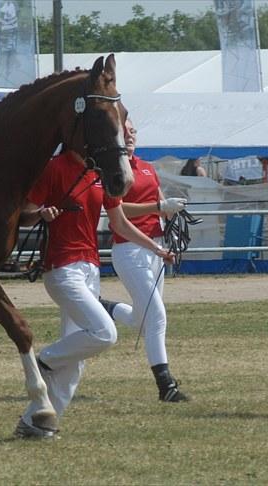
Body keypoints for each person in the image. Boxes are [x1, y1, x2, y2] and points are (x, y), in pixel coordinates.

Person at [15, 148, 175, 438]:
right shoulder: (53, 168)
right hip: (62, 269)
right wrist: (41, 213)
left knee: (75, 362)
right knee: (104, 333)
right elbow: (24, 212)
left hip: (90, 269)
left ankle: (34, 424)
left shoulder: (100, 172)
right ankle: (43, 362)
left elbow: (120, 223)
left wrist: (157, 249)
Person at [100, 118, 189, 403]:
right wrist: (158, 206)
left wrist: (172, 212)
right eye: (124, 131)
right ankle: (166, 384)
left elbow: (161, 207)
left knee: (143, 318)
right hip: (129, 250)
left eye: (133, 131)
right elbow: (118, 208)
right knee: (157, 316)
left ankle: (106, 308)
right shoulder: (115, 172)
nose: (130, 135)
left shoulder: (149, 168)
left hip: (155, 248)